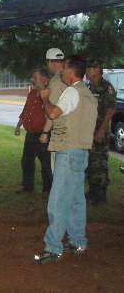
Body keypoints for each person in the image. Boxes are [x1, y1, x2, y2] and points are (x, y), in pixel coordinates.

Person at [34, 55, 97, 264]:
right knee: (76, 198)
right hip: (81, 151)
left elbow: (53, 113)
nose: (61, 71)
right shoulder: (87, 93)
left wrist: (45, 97)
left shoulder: (71, 92)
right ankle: (78, 241)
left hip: (69, 151)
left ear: (70, 71)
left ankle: (53, 247)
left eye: (64, 68)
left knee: (59, 199)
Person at [14, 68, 52, 195]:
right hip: (30, 135)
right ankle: (27, 187)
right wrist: (19, 125)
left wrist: (45, 133)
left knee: (46, 165)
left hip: (43, 136)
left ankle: (47, 190)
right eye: (33, 77)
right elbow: (25, 110)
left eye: (35, 78)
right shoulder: (32, 94)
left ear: (45, 79)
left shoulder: (49, 94)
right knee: (26, 162)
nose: (32, 80)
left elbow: (51, 114)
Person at [85, 58, 116, 207]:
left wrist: (102, 130)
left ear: (97, 69)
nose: (87, 71)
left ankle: (101, 195)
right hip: (90, 130)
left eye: (89, 68)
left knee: (100, 162)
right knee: (91, 162)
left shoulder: (107, 87)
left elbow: (110, 109)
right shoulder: (90, 87)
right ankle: (92, 190)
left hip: (100, 131)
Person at [39, 48, 68, 146]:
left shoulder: (56, 82)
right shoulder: (71, 77)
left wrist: (45, 133)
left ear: (50, 62)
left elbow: (52, 111)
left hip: (61, 131)